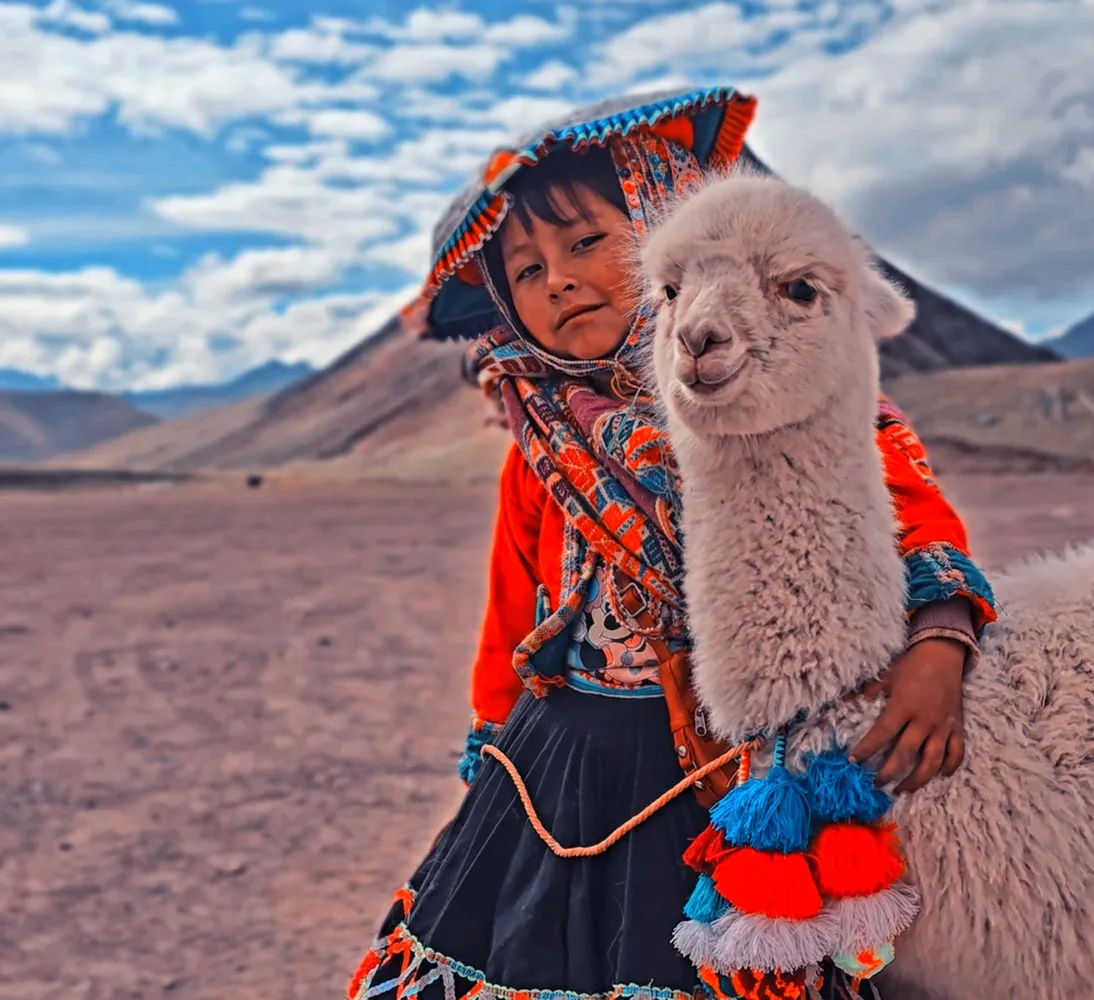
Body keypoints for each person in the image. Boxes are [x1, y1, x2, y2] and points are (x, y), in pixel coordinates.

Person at [348, 87, 996, 1000]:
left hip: (738, 756)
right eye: (526, 271)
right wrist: (493, 741)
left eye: (584, 243)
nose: (559, 280)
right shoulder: (542, 440)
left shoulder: (798, 390)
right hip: (558, 760)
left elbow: (914, 520)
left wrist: (940, 640)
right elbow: (513, 607)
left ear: (665, 228)